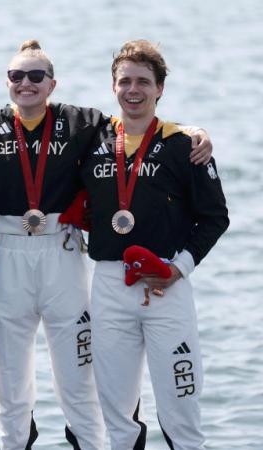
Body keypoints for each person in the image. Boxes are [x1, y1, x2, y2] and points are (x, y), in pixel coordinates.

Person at [0, 40, 213, 449]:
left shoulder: (83, 124)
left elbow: (142, 127)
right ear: (6, 81)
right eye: (17, 75)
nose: (27, 83)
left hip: (64, 256)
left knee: (83, 388)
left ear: (52, 83)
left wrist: (195, 133)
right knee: (10, 391)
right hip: (7, 255)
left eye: (36, 75)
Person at [81, 40, 228, 450]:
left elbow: (216, 217)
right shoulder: (92, 140)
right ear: (113, 87)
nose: (133, 90)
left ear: (159, 88)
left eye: (143, 82)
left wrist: (178, 267)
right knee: (117, 414)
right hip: (110, 285)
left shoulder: (185, 145)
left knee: (181, 411)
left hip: (168, 285)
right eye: (124, 81)